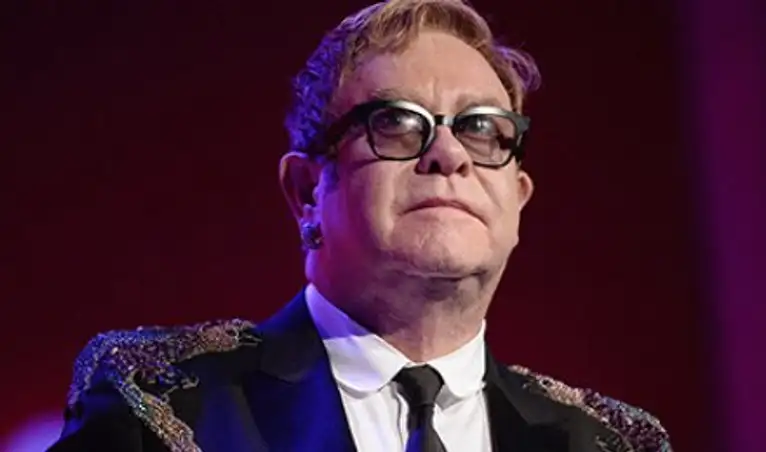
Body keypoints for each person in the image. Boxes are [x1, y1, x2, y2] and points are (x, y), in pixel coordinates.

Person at [48, 1, 671, 451]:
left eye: (482, 128)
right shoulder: (161, 401)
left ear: (519, 201)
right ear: (306, 192)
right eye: (396, 122)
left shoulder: (608, 442)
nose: (449, 154)